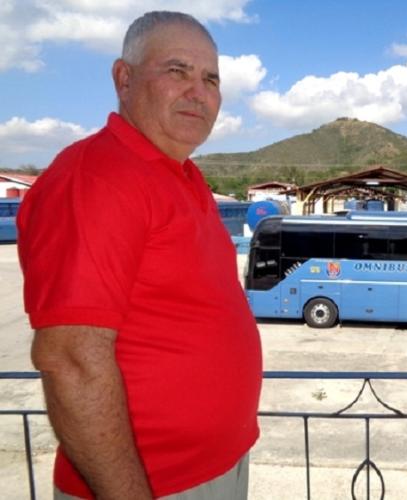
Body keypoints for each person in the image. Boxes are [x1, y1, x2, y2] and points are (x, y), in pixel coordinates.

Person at [17, 11, 263, 500]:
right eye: (177, 70)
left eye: (211, 79)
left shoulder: (181, 176)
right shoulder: (98, 177)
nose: (198, 91)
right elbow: (71, 360)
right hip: (149, 483)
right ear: (123, 78)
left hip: (213, 468)